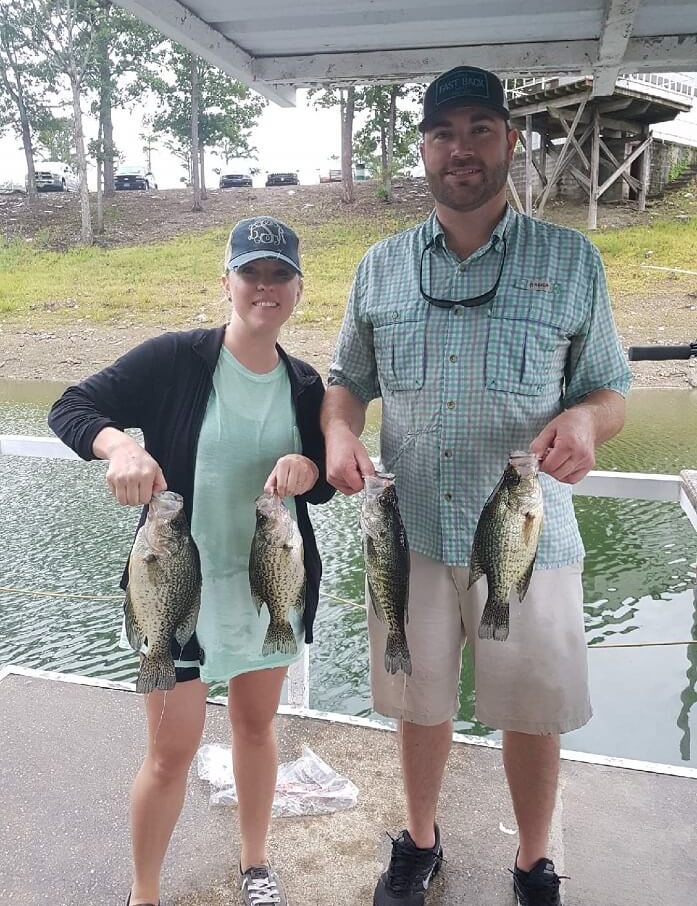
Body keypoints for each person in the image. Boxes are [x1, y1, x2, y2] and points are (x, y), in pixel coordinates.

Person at [322, 66, 631, 906]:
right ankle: (418, 842)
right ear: (422, 150)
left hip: (528, 536)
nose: (460, 149)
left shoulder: (569, 259)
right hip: (409, 526)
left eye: (479, 130)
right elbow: (345, 381)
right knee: (417, 698)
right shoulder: (379, 267)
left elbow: (608, 388)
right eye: (442, 133)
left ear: (507, 141)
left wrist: (584, 424)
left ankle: (533, 860)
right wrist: (339, 431)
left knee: (530, 710)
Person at [49, 216, 334, 906]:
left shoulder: (303, 382)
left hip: (267, 585)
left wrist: (305, 466)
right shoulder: (177, 357)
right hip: (176, 583)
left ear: (298, 289)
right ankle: (144, 892)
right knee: (171, 752)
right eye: (251, 273)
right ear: (227, 282)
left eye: (278, 275)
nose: (264, 287)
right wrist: (119, 448)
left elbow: (323, 481)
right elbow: (73, 406)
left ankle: (256, 866)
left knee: (256, 728)